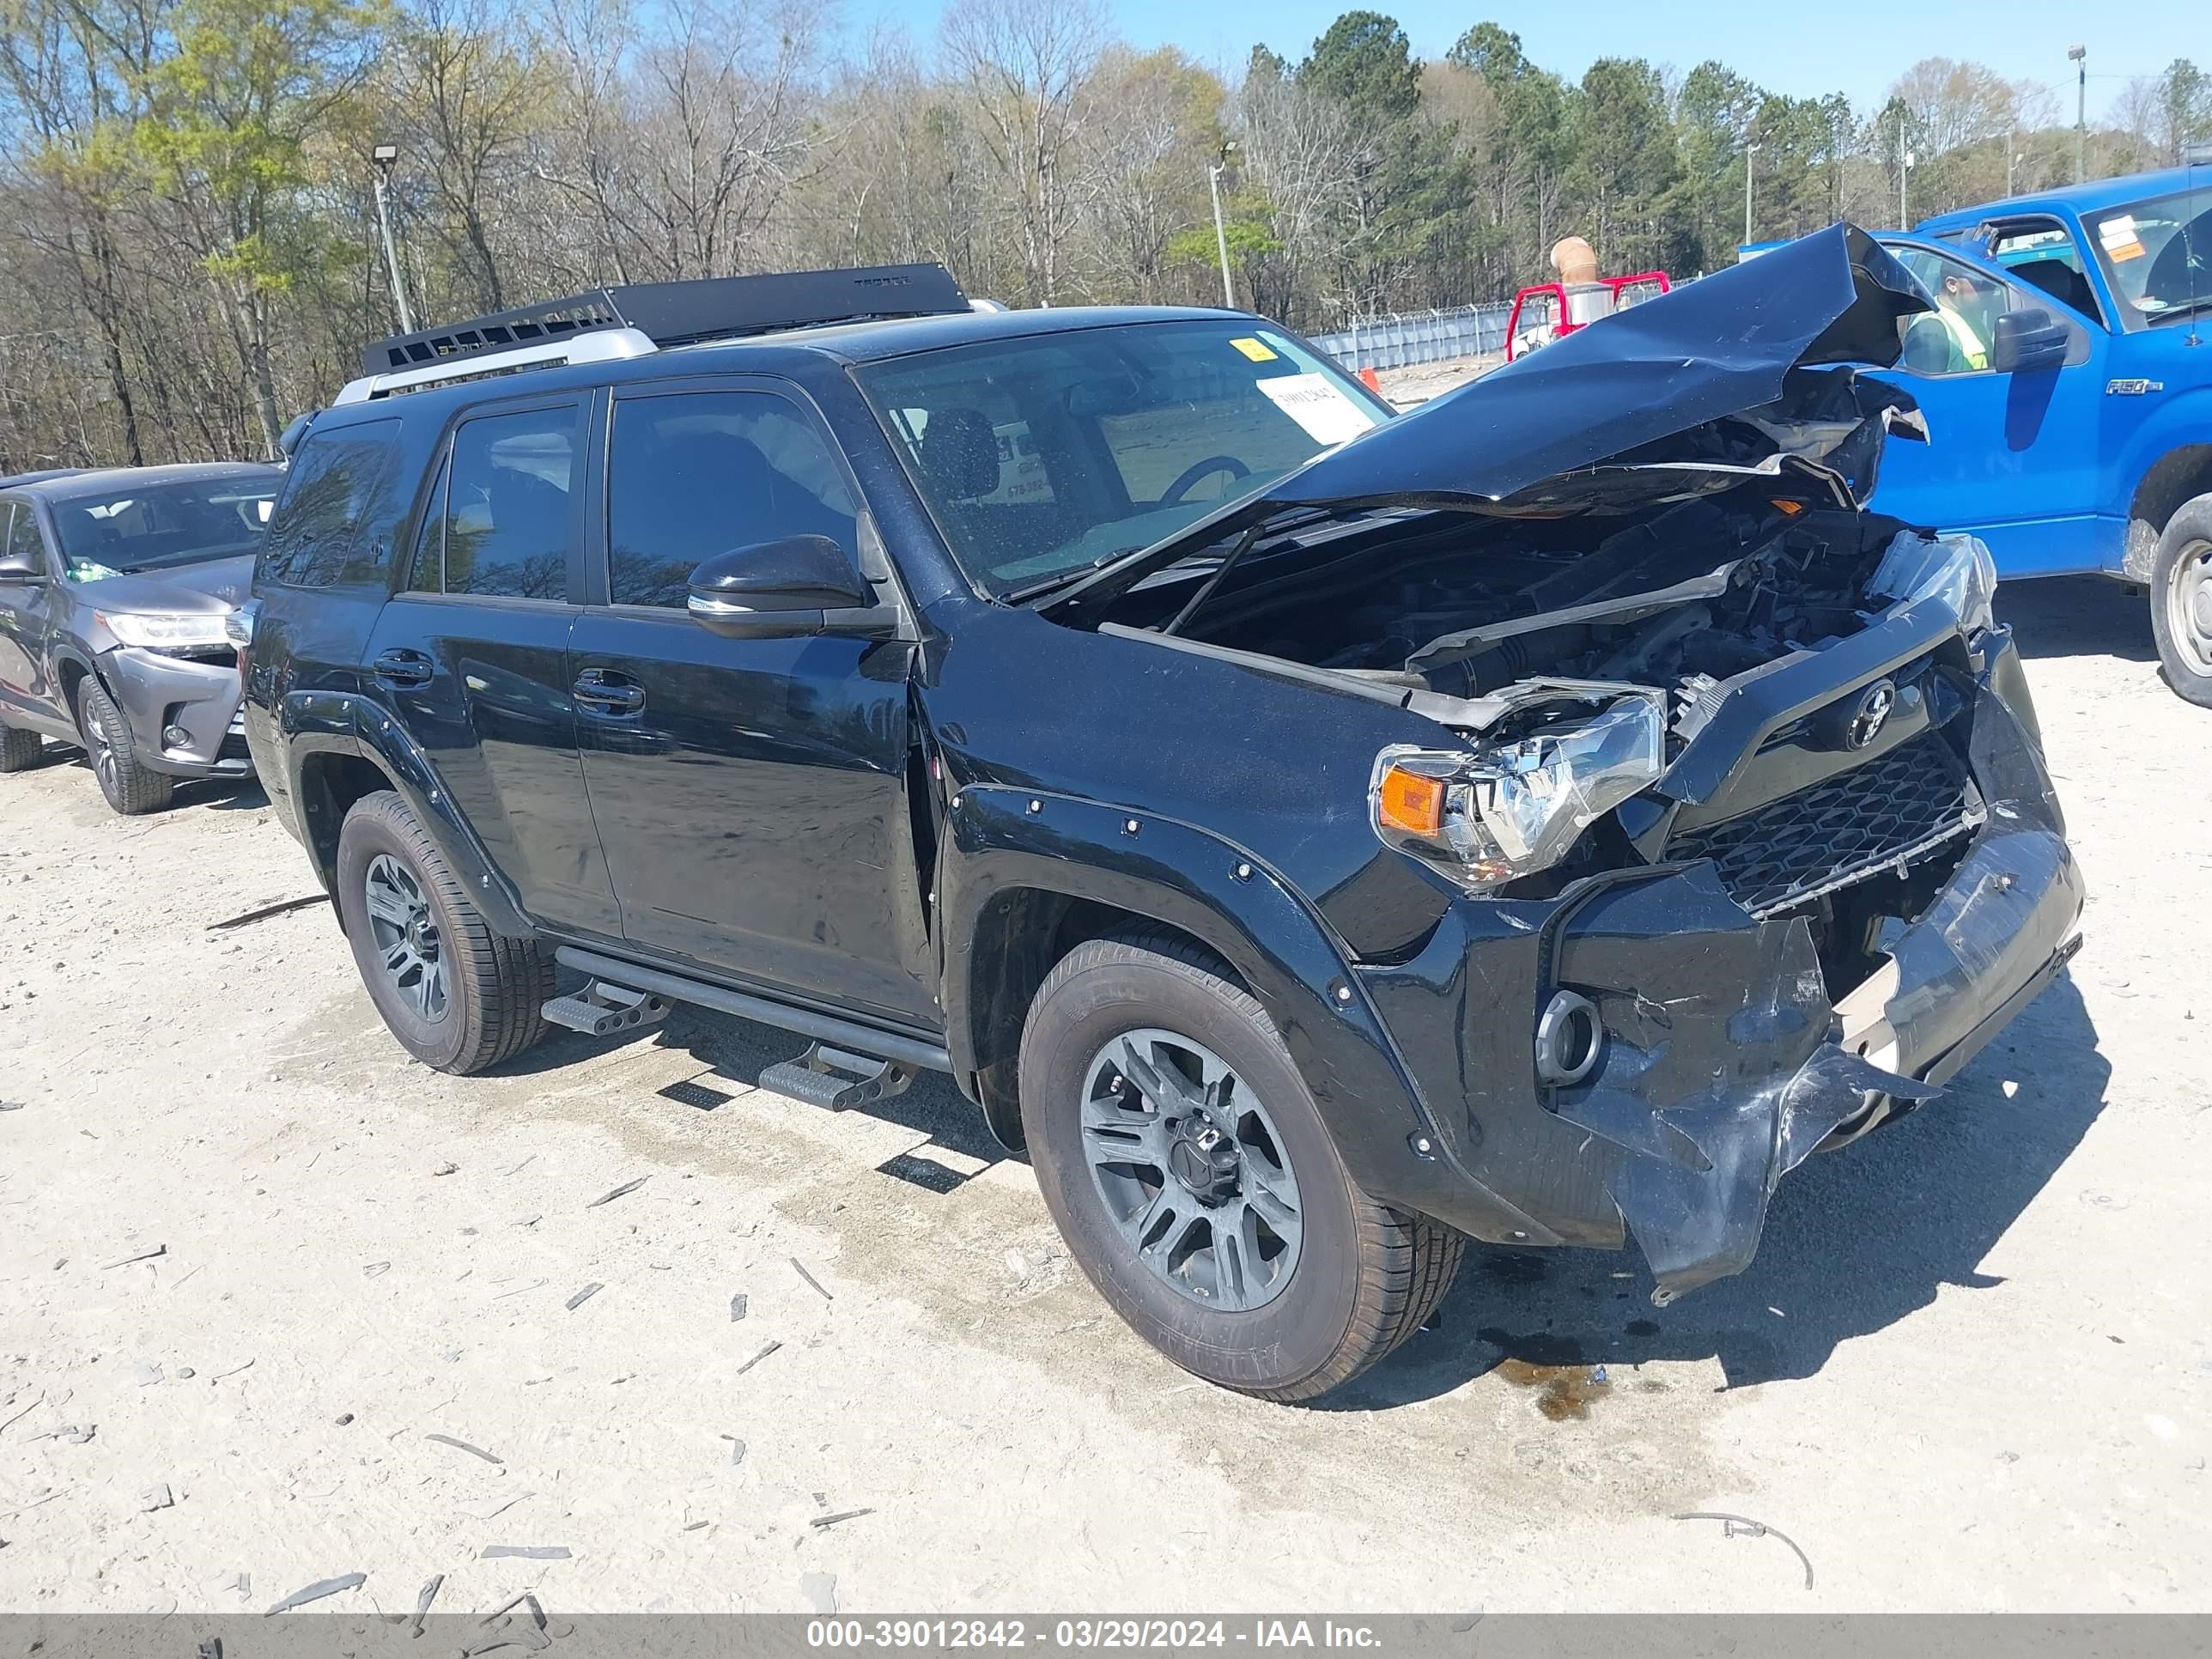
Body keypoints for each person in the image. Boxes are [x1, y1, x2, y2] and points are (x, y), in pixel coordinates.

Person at [1904, 269, 1994, 373]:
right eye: (1981, 284)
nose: (1989, 290)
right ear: (1952, 285)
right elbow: (1926, 387)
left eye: (1990, 285)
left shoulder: (1967, 313)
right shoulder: (1931, 331)